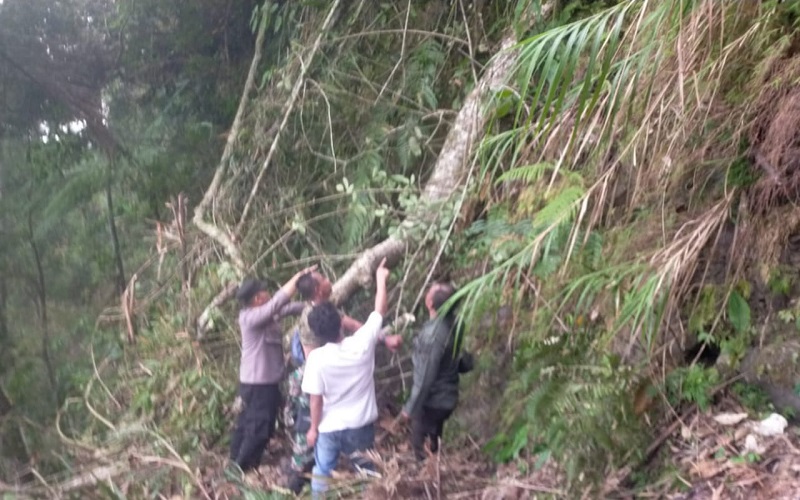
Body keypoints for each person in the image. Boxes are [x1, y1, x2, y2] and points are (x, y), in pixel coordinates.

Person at [301, 258, 402, 495]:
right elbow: (379, 311)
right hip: (360, 425)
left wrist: (313, 429)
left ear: (316, 333)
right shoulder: (362, 344)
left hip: (328, 428)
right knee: (367, 471)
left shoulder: (316, 359)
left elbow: (315, 400)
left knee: (322, 471)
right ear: (340, 324)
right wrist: (380, 279)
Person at [229, 265, 316, 472]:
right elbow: (278, 302)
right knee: (258, 426)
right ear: (258, 298)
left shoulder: (266, 314)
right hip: (257, 384)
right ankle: (240, 467)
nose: (268, 294)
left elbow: (288, 308)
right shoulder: (249, 317)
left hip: (265, 383)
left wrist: (312, 305)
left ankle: (241, 461)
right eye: (264, 292)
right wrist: (296, 280)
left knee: (254, 424)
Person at [401, 282, 473, 461]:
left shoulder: (433, 336)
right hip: (447, 397)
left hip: (432, 400)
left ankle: (425, 479)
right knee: (434, 442)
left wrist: (411, 407)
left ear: (429, 303)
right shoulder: (457, 323)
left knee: (419, 448)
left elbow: (426, 377)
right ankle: (435, 470)